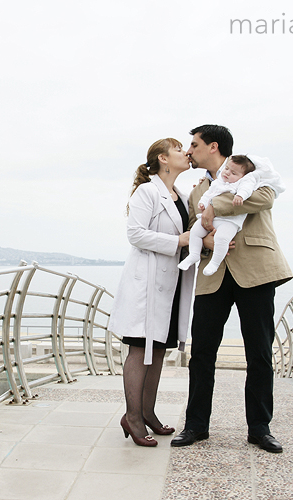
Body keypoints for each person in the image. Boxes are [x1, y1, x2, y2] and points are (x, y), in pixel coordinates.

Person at [170, 125, 292, 453]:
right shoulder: (198, 189)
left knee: (260, 353)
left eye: (193, 145)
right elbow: (196, 225)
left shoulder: (251, 170)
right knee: (202, 353)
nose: (189, 150)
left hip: (256, 271)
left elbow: (265, 197)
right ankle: (196, 424)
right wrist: (207, 236)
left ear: (213, 146)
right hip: (212, 275)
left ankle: (260, 428)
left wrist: (215, 207)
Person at [107, 138, 195, 447]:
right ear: (163, 158)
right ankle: (132, 417)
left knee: (158, 350)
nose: (186, 152)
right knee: (140, 350)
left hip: (170, 286)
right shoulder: (148, 191)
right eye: (179, 148)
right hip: (146, 284)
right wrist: (179, 242)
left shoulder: (181, 196)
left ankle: (147, 412)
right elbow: (135, 234)